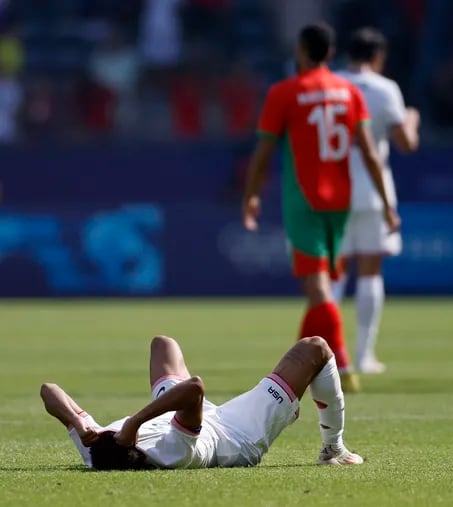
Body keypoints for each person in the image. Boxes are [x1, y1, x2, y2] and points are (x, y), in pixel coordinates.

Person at [242, 23, 400, 393]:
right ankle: (290, 373)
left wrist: (250, 195)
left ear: (300, 50)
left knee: (319, 288)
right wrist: (388, 204)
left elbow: (263, 153)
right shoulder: (348, 93)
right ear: (330, 53)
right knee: (321, 288)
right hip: (340, 202)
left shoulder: (285, 92)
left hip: (305, 201)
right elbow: (371, 154)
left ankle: (342, 364)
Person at [40, 335, 363, 469]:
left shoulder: (96, 451)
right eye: (122, 435)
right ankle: (333, 448)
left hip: (178, 416)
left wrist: (79, 423)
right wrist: (135, 423)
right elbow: (195, 389)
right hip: (238, 433)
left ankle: (333, 446)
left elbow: (48, 389)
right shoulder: (173, 453)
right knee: (315, 348)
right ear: (135, 448)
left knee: (162, 344)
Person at [331, 27, 420, 374]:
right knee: (370, 270)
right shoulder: (385, 89)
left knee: (334, 275)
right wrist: (412, 118)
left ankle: (332, 355)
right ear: (378, 57)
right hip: (371, 190)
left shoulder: (332, 84)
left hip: (334, 191)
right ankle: (364, 355)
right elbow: (406, 143)